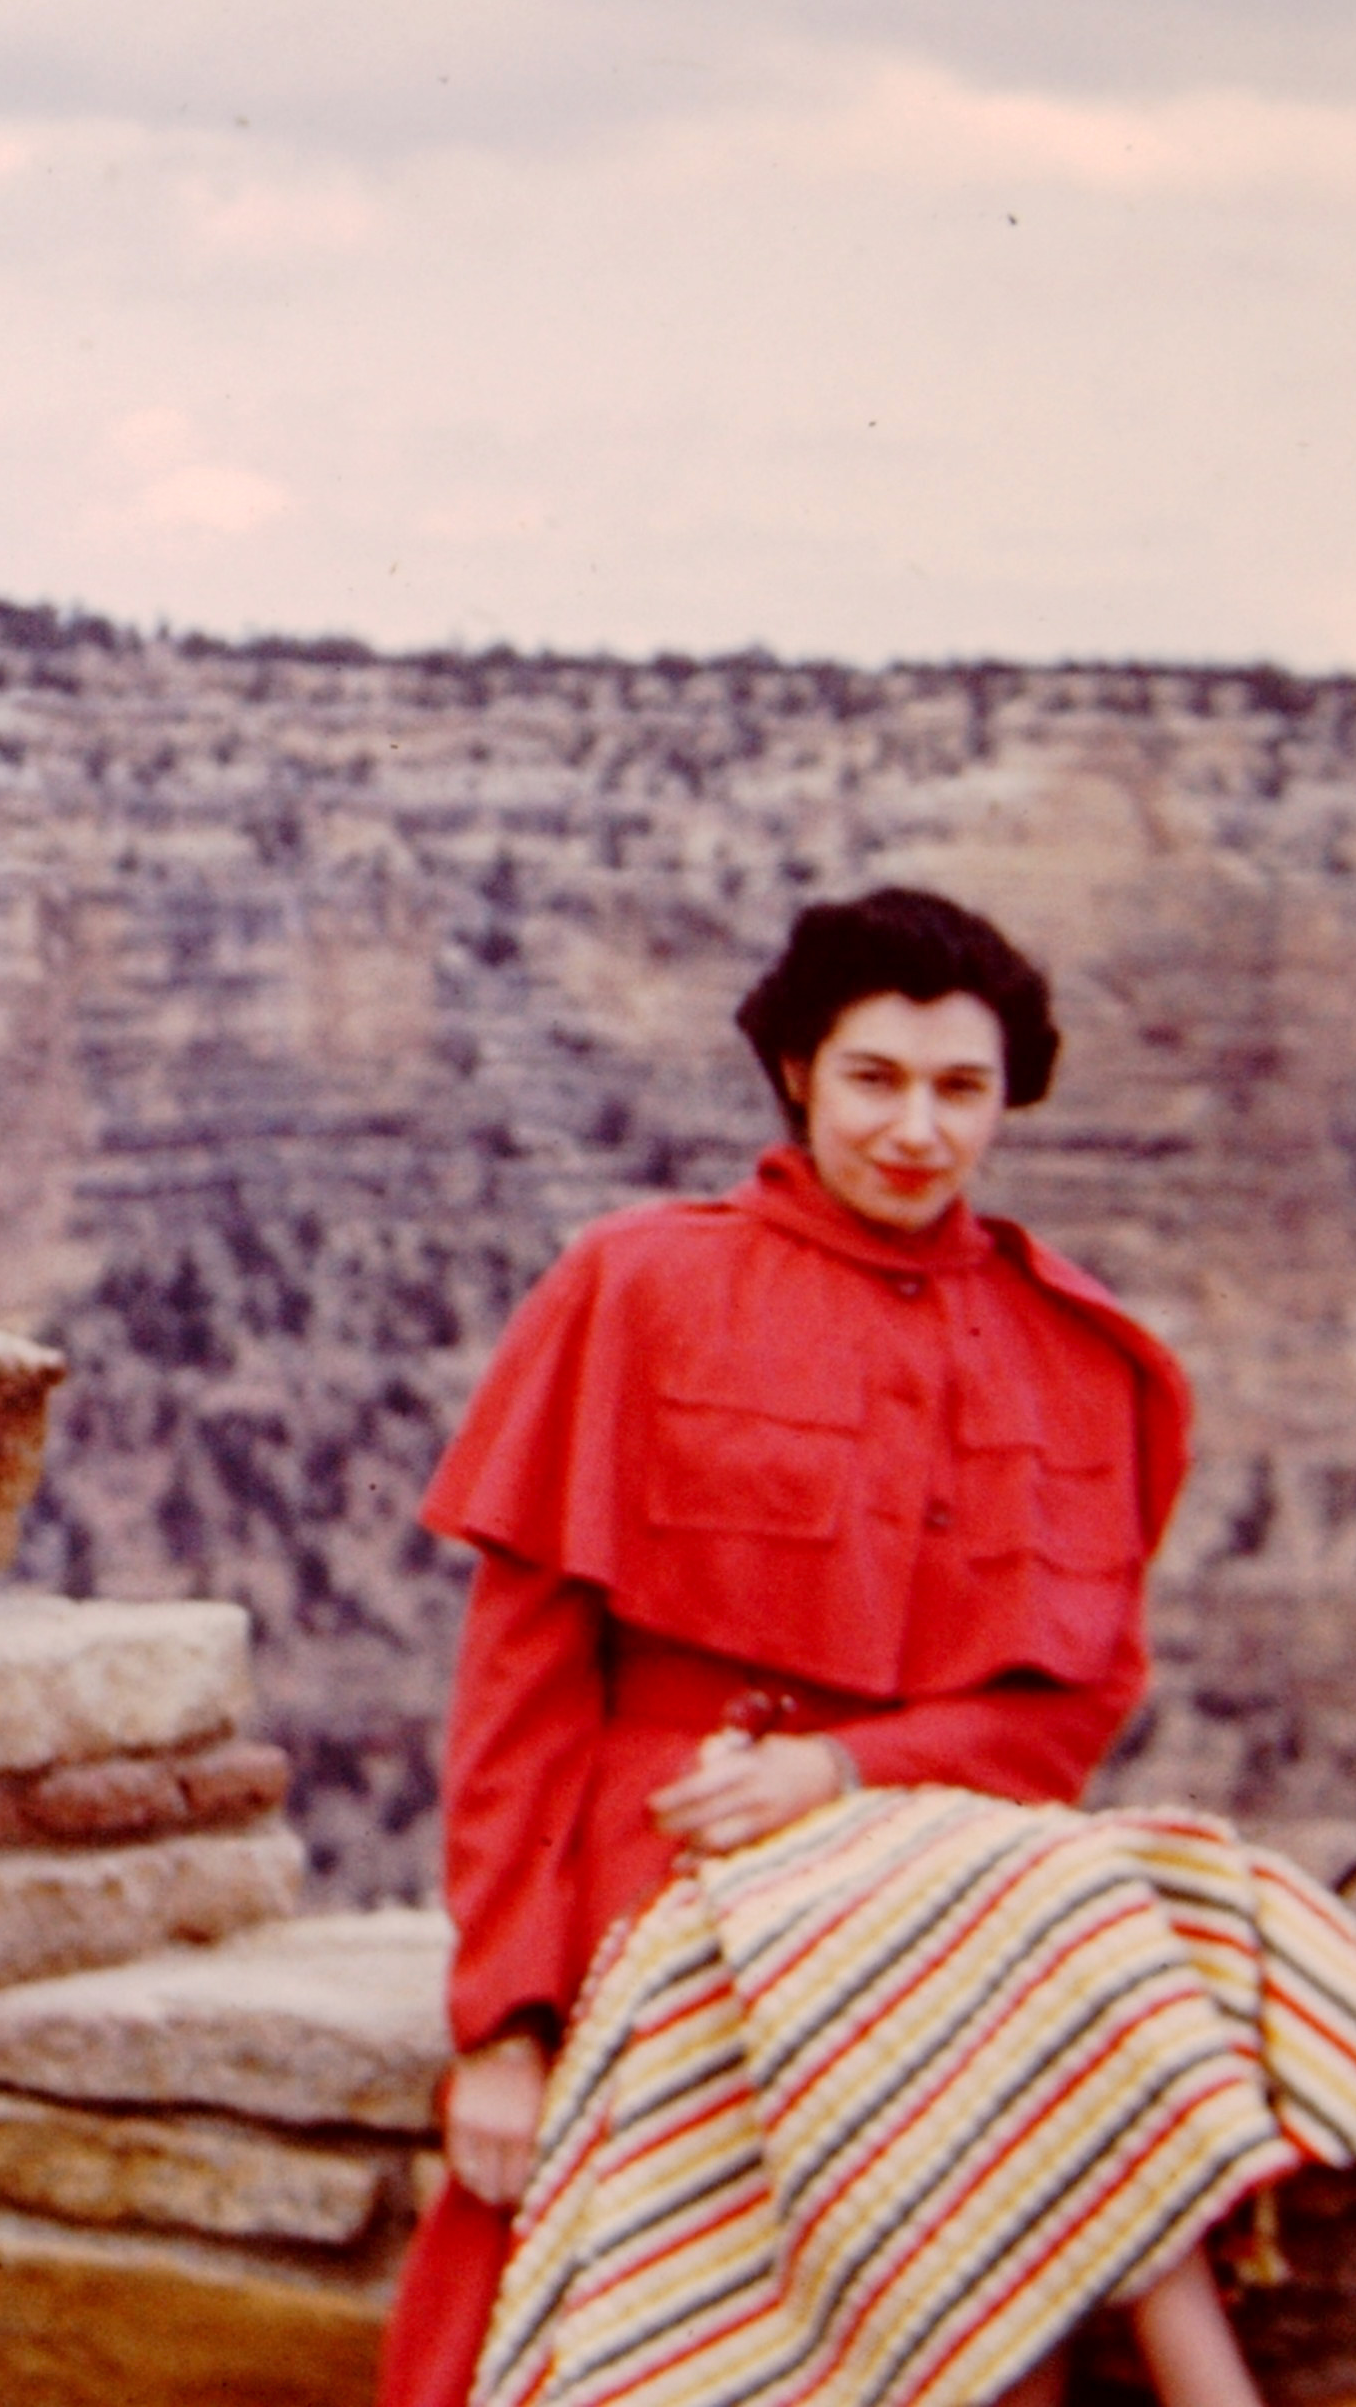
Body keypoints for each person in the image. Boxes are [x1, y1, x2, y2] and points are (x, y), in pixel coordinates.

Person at [383, 887, 1286, 2407]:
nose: (916, 1130)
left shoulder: (1076, 1347)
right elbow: (518, 1696)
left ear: (1011, 1100)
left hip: (933, 1843)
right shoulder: (635, 1281)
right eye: (876, 1078)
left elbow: (1071, 1710)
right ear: (799, 1071)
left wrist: (844, 1771)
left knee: (1105, 1923)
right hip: (671, 1843)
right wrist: (501, 2028)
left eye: (961, 1088)